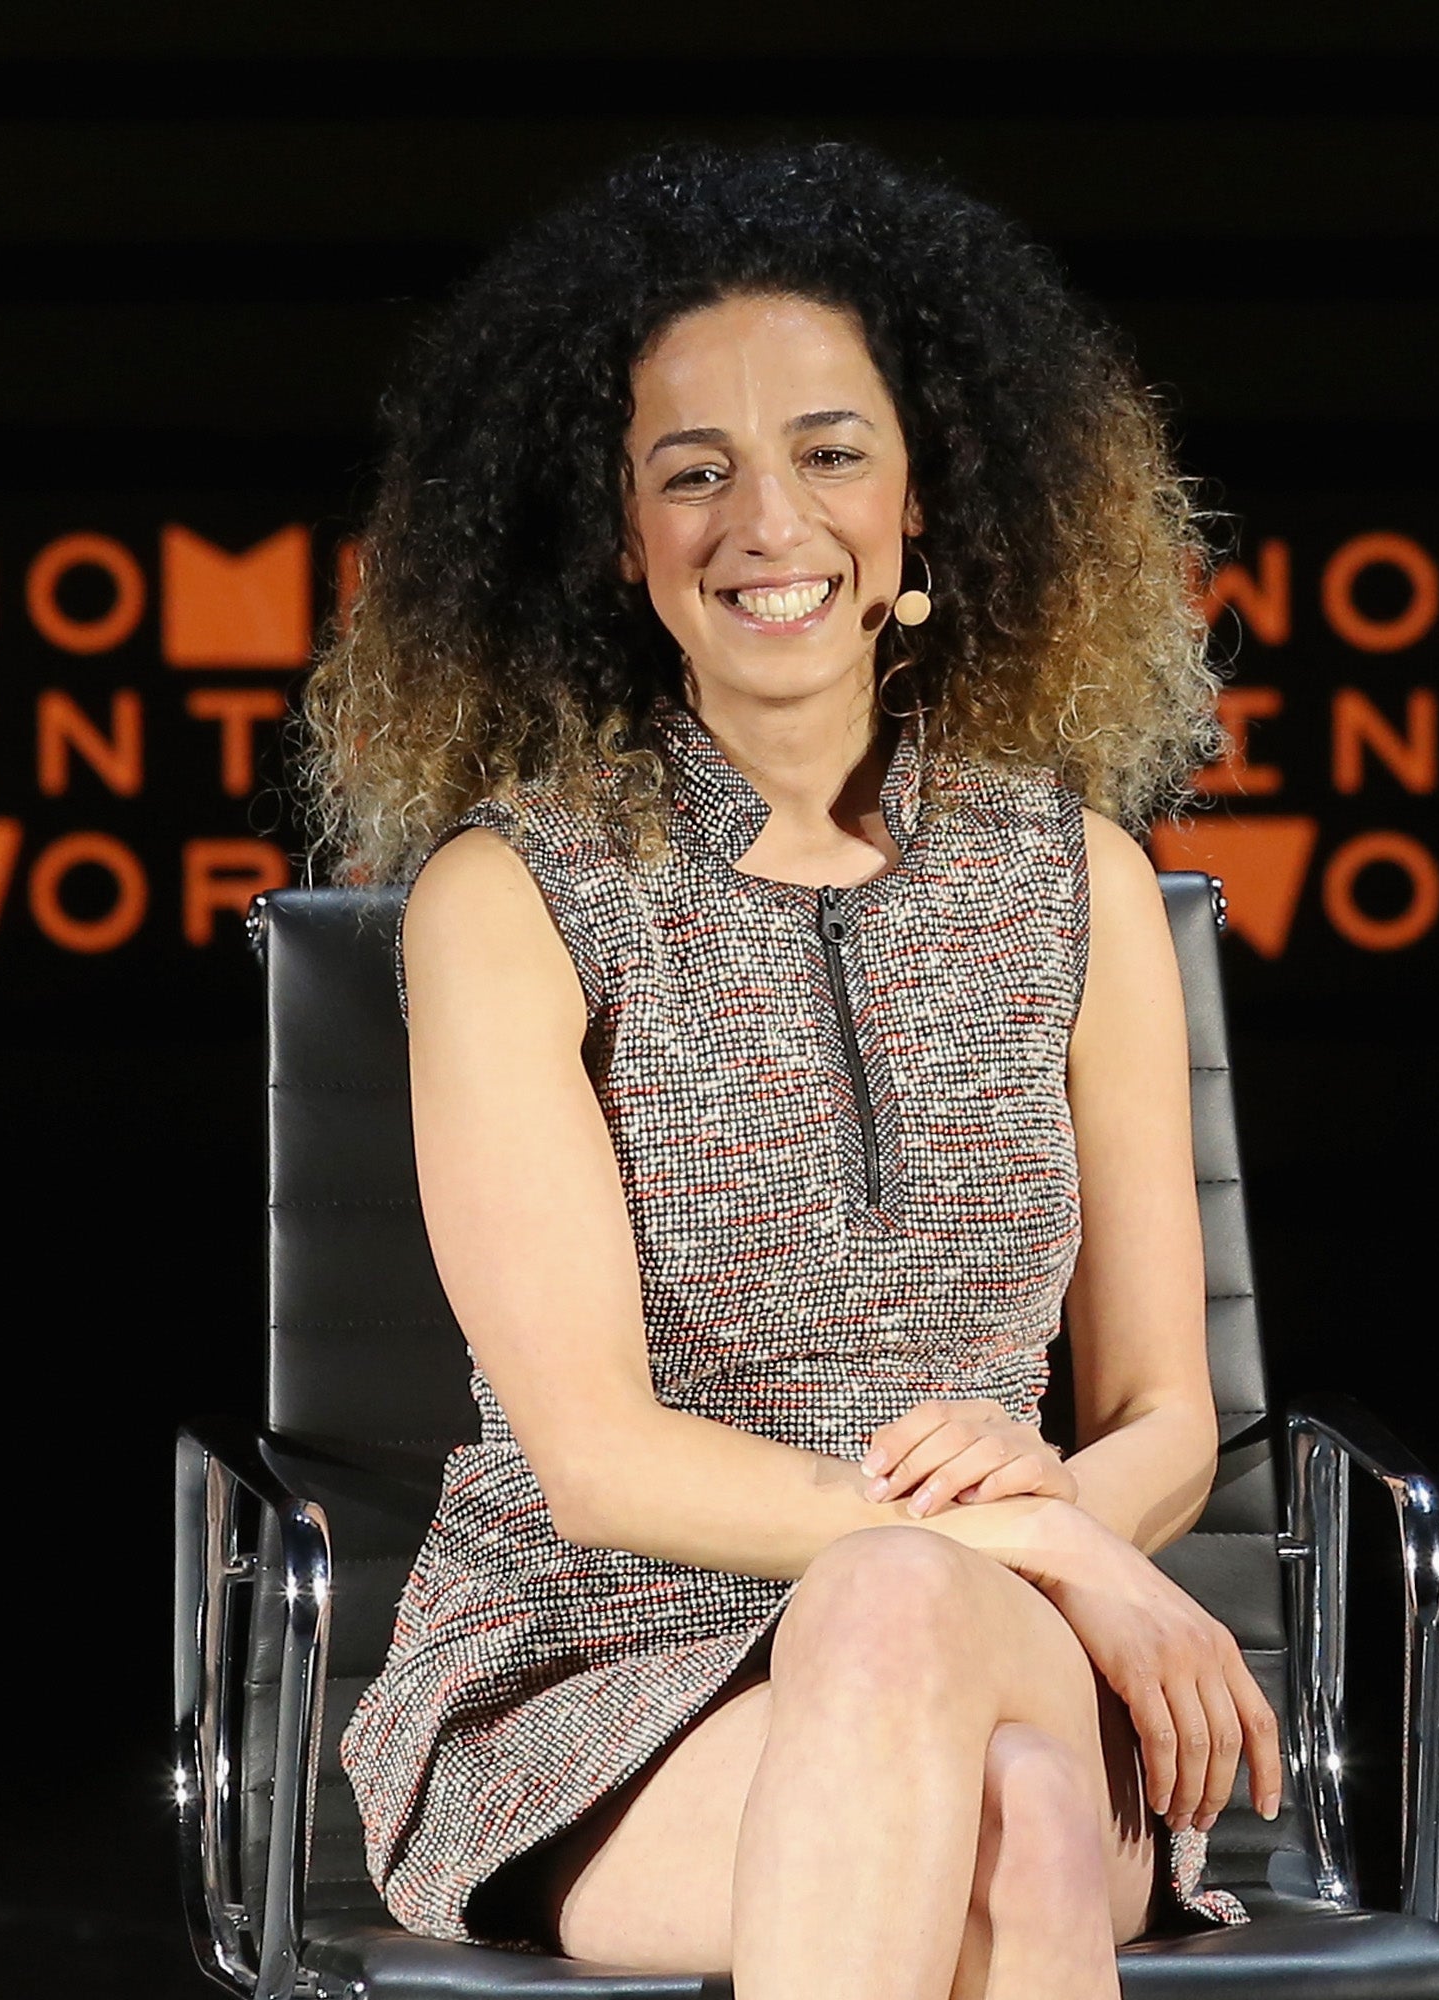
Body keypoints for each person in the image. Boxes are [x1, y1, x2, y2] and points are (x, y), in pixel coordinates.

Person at [303, 141, 1281, 2000]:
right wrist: (1044, 1543)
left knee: (926, 1637)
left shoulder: (1076, 881)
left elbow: (1166, 1412)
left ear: (924, 501)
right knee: (1025, 1834)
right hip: (598, 1693)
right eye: (695, 472)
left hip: (1013, 1625)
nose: (769, 521)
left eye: (831, 453)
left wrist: (1042, 1544)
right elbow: (593, 1463)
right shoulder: (513, 896)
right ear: (618, 539)